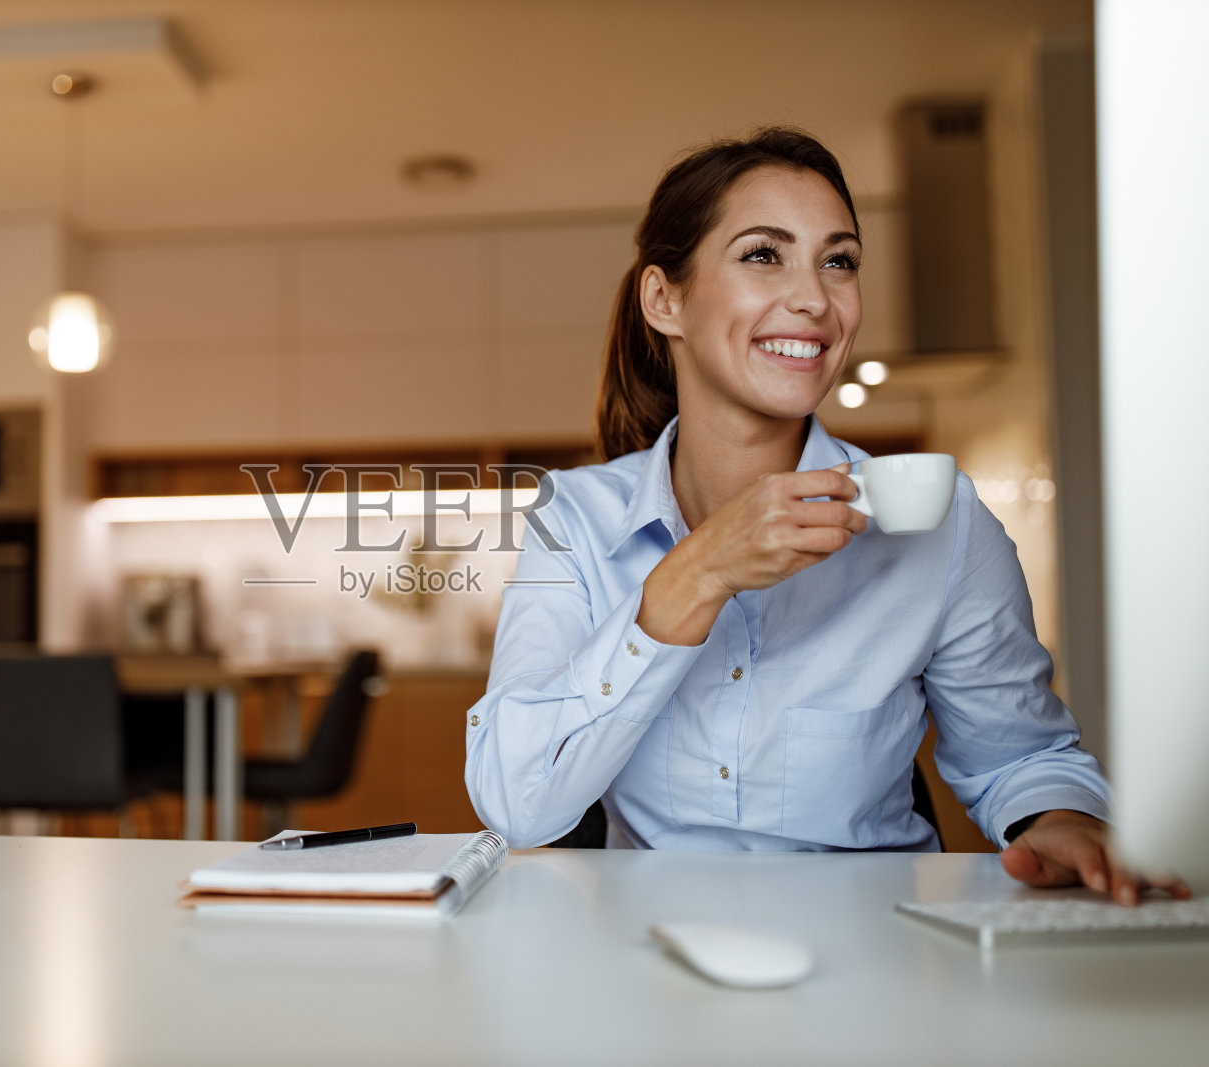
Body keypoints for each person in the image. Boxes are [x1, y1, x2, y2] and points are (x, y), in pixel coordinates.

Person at [463, 127, 1188, 905]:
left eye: (838, 261)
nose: (815, 298)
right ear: (664, 300)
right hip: (646, 952)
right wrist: (698, 572)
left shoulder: (938, 519)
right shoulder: (575, 518)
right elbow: (516, 804)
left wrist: (1061, 818)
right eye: (763, 254)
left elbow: (1020, 756)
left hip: (877, 947)